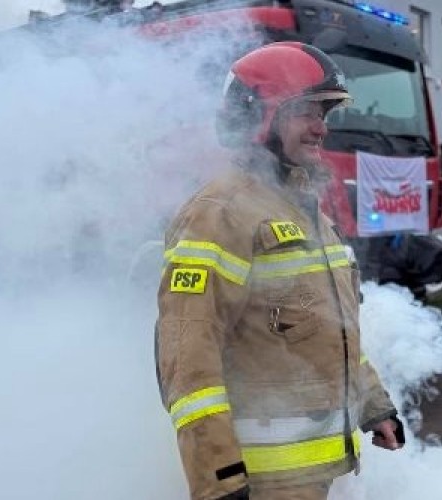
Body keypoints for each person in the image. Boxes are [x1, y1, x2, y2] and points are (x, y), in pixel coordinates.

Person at [155, 42, 404, 500]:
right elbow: (188, 357)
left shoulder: (307, 210)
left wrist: (374, 407)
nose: (321, 128)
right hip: (260, 483)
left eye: (324, 114)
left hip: (313, 477)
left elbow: (332, 332)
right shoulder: (220, 213)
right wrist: (219, 477)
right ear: (260, 117)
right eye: (306, 112)